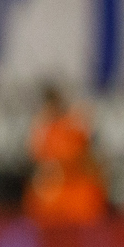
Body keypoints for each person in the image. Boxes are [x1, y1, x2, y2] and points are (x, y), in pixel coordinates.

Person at [23, 84, 108, 227]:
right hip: (53, 200)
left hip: (78, 196)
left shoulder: (75, 126)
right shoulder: (43, 131)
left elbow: (93, 159)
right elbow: (36, 161)